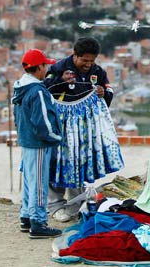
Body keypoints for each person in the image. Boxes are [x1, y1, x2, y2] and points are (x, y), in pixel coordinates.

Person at [44, 37, 115, 223]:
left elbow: (109, 94)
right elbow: (44, 90)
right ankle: (55, 205)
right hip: (60, 127)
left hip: (84, 129)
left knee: (78, 166)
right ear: (75, 55)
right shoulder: (58, 68)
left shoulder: (98, 72)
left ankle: (74, 206)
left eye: (92, 61)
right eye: (85, 60)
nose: (88, 64)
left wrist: (103, 94)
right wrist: (60, 80)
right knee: (57, 163)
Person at [12, 49, 62, 239]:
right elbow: (42, 121)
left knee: (29, 181)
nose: (47, 69)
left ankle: (26, 217)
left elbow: (19, 119)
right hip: (39, 143)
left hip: (26, 141)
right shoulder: (37, 91)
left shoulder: (20, 87)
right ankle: (38, 223)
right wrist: (56, 138)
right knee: (39, 184)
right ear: (38, 67)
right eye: (45, 65)